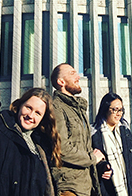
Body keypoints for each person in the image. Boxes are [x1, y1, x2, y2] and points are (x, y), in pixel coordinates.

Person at [0, 81, 61, 196]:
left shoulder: (43, 143)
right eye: (28, 108)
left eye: (38, 113)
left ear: (43, 118)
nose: (31, 115)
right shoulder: (2, 128)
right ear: (20, 106)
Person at [51, 63, 104, 196]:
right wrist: (92, 158)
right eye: (72, 73)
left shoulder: (78, 109)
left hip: (85, 185)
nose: (78, 77)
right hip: (69, 188)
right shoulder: (56, 108)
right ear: (61, 81)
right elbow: (61, 148)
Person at [91, 92, 132, 196]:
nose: (119, 113)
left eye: (121, 110)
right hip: (108, 190)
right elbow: (93, 163)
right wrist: (103, 168)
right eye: (115, 110)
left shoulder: (125, 131)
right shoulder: (94, 134)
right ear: (105, 109)